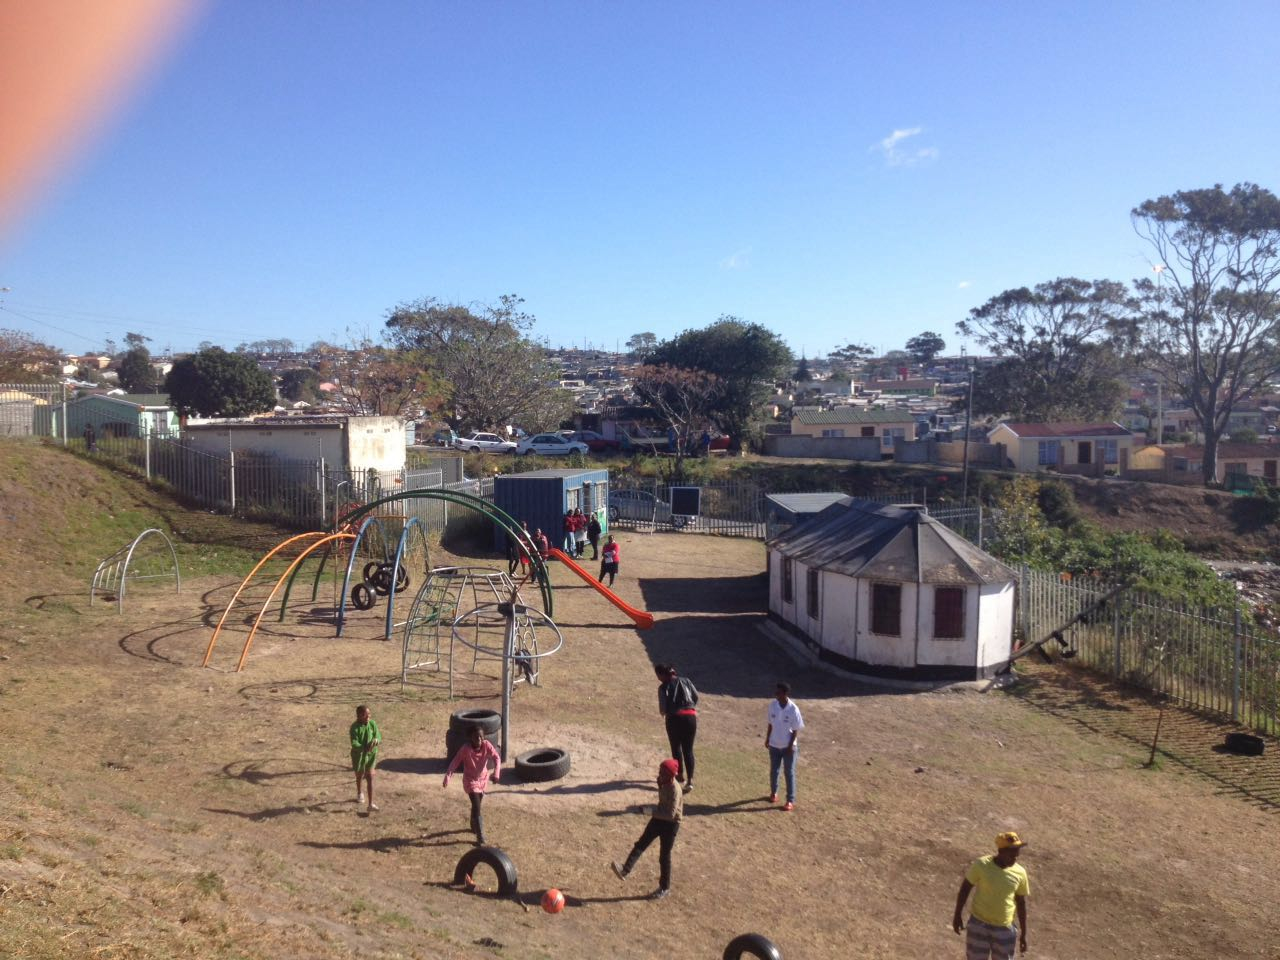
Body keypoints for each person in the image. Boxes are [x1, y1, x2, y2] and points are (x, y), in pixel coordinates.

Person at [610, 758, 683, 900]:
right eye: (660, 771)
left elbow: (670, 814)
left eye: (663, 773)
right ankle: (625, 870)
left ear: (670, 775)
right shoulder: (661, 781)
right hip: (658, 818)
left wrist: (649, 811)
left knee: (664, 856)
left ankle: (664, 888)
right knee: (641, 843)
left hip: (671, 824)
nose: (659, 774)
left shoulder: (675, 790)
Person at [952, 832, 1030, 958]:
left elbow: (1021, 903)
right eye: (1012, 852)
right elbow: (965, 889)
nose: (1016, 856)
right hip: (979, 925)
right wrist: (957, 915)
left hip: (1004, 929)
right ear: (1001, 851)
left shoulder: (1020, 873)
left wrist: (1024, 933)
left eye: (1017, 852)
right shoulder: (982, 865)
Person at [443, 724, 502, 845]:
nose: (479, 739)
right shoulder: (466, 749)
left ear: (483, 737)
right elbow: (455, 761)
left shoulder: (487, 745)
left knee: (477, 804)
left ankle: (473, 822)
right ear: (471, 738)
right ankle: (480, 837)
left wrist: (496, 773)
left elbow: (496, 757)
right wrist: (448, 776)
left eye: (481, 737)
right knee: (476, 805)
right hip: (470, 780)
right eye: (476, 737)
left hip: (483, 779)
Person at [655, 664, 698, 793]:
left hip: (674, 719)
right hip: (690, 717)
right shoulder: (686, 681)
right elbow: (695, 697)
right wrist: (689, 707)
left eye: (658, 675)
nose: (658, 678)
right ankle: (690, 781)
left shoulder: (663, 687)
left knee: (676, 747)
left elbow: (663, 709)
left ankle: (679, 774)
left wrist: (666, 713)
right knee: (688, 750)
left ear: (662, 674)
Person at [765, 681, 803, 811]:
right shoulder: (773, 705)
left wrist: (790, 746)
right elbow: (770, 724)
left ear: (785, 693)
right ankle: (774, 793)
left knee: (789, 773)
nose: (776, 694)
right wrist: (768, 738)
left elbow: (795, 730)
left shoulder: (793, 709)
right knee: (774, 770)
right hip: (774, 745)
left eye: (778, 692)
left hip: (788, 748)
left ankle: (790, 800)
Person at [349, 704, 381, 812]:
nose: (368, 717)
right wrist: (363, 748)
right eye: (365, 715)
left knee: (370, 777)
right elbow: (354, 743)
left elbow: (378, 735)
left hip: (371, 755)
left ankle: (370, 804)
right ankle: (359, 792)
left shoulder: (372, 724)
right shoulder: (354, 728)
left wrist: (376, 740)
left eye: (369, 714)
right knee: (359, 775)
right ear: (359, 716)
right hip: (359, 756)